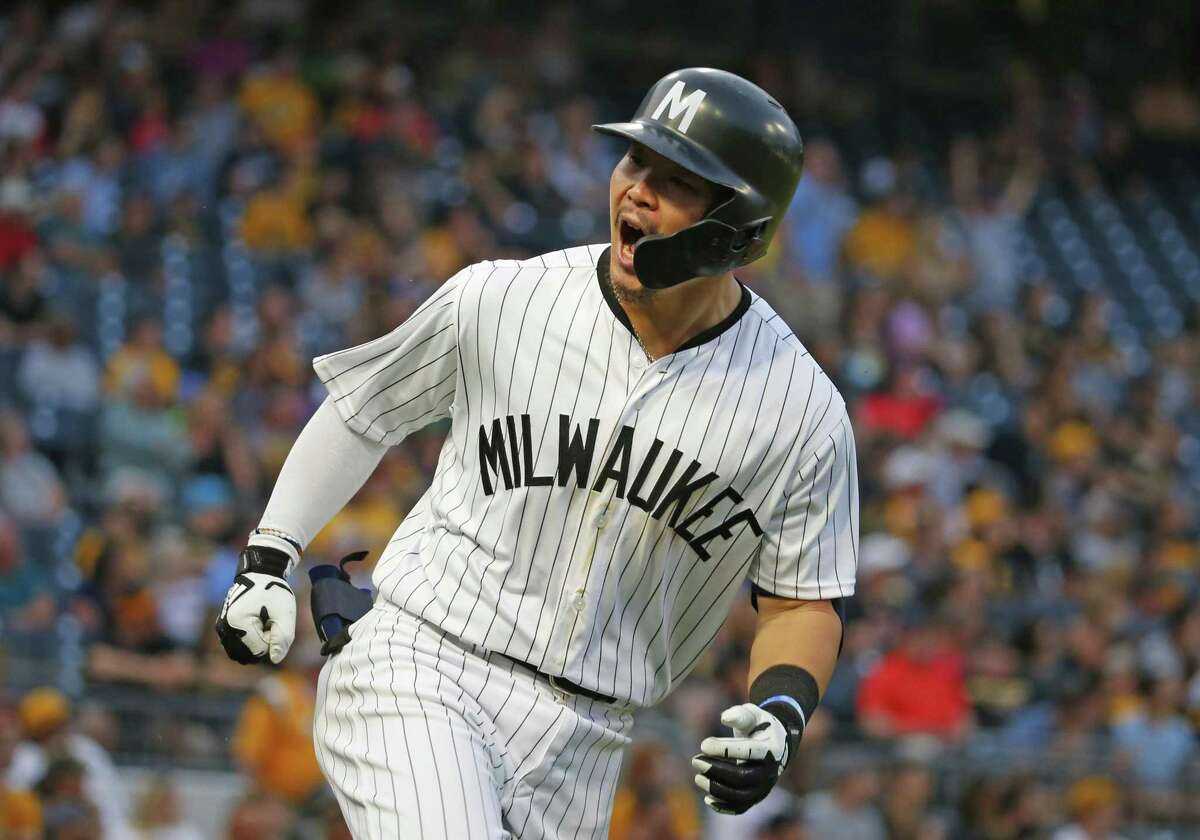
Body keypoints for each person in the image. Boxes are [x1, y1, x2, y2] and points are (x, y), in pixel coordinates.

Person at [215, 67, 858, 839]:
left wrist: (781, 713)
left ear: (741, 229)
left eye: (678, 182)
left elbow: (801, 598)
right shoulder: (505, 298)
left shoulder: (801, 410)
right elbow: (364, 411)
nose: (637, 192)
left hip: (588, 742)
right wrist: (269, 555)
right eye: (635, 163)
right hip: (424, 662)